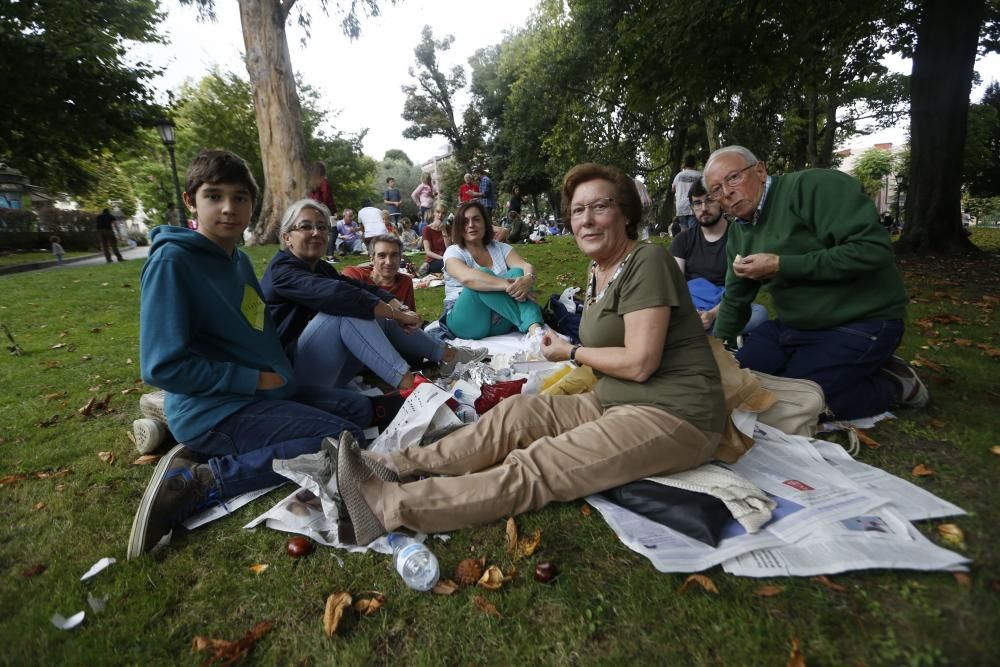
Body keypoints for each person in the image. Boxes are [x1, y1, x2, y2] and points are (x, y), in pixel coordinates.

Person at [331, 162, 725, 545]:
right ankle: (392, 465)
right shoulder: (597, 269)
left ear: (626, 214)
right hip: (615, 400)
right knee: (518, 412)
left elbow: (640, 364)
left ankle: (389, 506)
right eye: (577, 210)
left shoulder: (647, 259)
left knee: (540, 464)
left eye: (600, 206)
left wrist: (573, 350)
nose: (586, 219)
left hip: (675, 415)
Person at [128, 150, 371, 560]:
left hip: (262, 395)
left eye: (240, 197)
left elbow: (258, 328)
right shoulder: (173, 263)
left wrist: (282, 378)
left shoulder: (237, 260)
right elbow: (161, 365)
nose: (228, 208)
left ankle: (191, 439)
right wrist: (254, 380)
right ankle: (204, 480)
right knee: (342, 440)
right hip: (219, 409)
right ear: (191, 201)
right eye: (213, 196)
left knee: (359, 411)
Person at [704, 145, 928, 420]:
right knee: (740, 388)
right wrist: (718, 350)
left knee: (793, 403)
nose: (726, 193)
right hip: (794, 326)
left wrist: (781, 265)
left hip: (861, 320)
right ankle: (846, 369)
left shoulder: (814, 187)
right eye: (716, 189)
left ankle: (896, 385)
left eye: (733, 178)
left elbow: (873, 251)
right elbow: (736, 297)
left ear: (760, 170)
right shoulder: (739, 232)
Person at [260, 198, 487, 397]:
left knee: (375, 314)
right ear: (287, 237)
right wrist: (395, 313)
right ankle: (412, 387)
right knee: (349, 311)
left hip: (328, 367)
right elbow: (340, 294)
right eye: (306, 227)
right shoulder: (282, 270)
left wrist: (395, 306)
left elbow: (357, 287)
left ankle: (448, 355)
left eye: (321, 226)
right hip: (291, 376)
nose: (317, 233)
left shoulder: (318, 267)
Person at [671, 180, 768, 334]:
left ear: (720, 201)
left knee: (760, 313)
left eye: (709, 200)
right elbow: (675, 283)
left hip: (726, 305)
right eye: (697, 203)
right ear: (692, 208)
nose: (704, 208)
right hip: (691, 306)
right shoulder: (682, 239)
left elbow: (741, 290)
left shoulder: (740, 237)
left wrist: (711, 315)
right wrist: (691, 312)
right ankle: (713, 335)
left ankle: (699, 335)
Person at [440, 200, 543, 340]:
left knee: (518, 273)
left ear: (485, 223)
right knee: (482, 275)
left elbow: (525, 266)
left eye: (476, 219)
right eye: (465, 221)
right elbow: (467, 278)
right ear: (459, 226)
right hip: (466, 321)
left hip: (499, 320)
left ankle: (535, 330)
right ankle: (530, 325)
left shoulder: (500, 248)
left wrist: (528, 279)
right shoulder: (453, 252)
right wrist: (509, 286)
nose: (471, 225)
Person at [342, 234, 417, 311]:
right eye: (382, 256)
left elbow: (410, 318)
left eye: (394, 255)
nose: (389, 262)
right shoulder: (354, 274)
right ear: (372, 259)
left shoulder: (405, 281)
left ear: (400, 258)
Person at [672, 155, 701, 231]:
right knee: (693, 231)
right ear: (695, 164)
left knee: (684, 231)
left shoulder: (678, 176)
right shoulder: (700, 175)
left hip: (681, 206)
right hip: (694, 205)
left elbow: (673, 189)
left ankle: (685, 242)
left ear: (685, 164)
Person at [419, 203, 449, 275]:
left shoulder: (448, 228)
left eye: (443, 213)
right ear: (434, 213)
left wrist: (444, 230)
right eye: (438, 212)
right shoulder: (427, 229)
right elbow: (428, 251)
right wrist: (443, 258)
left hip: (448, 257)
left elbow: (449, 248)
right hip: (434, 259)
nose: (440, 215)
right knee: (449, 265)